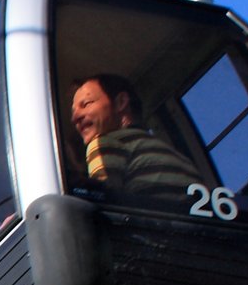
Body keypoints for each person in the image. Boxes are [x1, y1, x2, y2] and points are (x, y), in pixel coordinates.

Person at [67, 73, 209, 207]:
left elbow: (104, 202)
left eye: (86, 104)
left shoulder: (104, 143)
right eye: (73, 112)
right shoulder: (171, 153)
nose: (75, 118)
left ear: (121, 102)